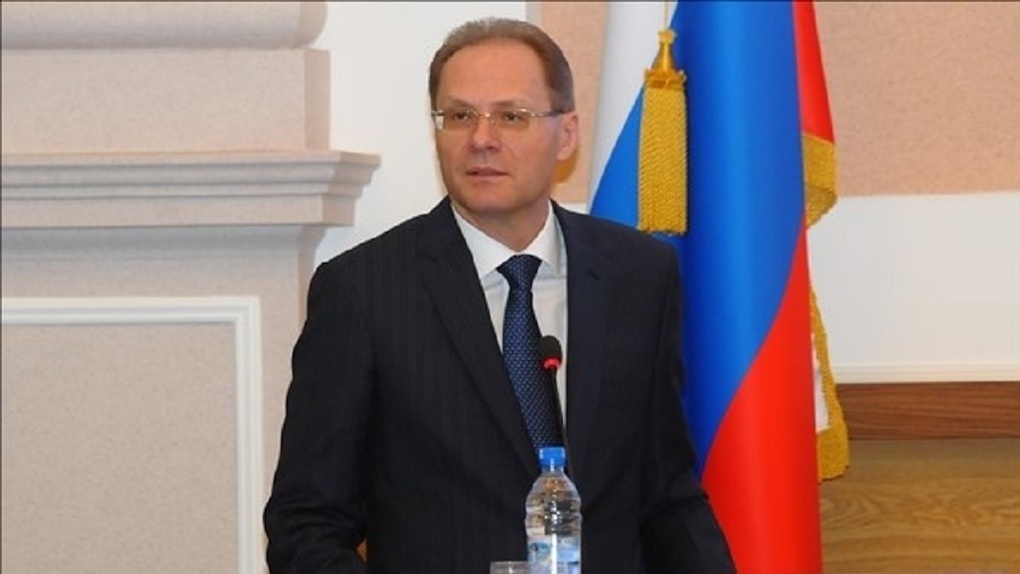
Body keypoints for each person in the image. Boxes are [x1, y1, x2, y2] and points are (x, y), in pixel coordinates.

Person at [263, 16, 734, 574]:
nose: (482, 139)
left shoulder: (639, 274)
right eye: (460, 116)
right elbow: (305, 526)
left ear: (567, 134)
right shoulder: (363, 291)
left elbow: (667, 498)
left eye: (512, 116)